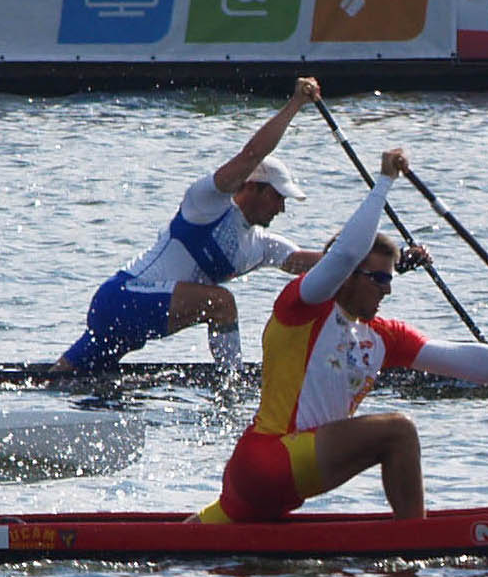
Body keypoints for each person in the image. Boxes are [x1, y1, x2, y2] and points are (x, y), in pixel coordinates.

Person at [199, 148, 488, 522]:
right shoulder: (303, 307)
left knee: (190, 538)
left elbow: (469, 362)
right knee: (398, 432)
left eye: (390, 278)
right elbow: (344, 253)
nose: (387, 289)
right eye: (379, 279)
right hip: (269, 460)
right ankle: (416, 543)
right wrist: (385, 181)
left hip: (273, 482)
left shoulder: (381, 337)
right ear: (348, 275)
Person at [55, 77, 349, 374]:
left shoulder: (260, 245)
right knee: (221, 303)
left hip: (136, 325)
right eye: (278, 197)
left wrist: (371, 260)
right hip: (123, 298)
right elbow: (252, 155)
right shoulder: (206, 204)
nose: (282, 208)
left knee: (65, 380)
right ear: (253, 187)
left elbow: (314, 264)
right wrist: (296, 104)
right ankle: (231, 387)